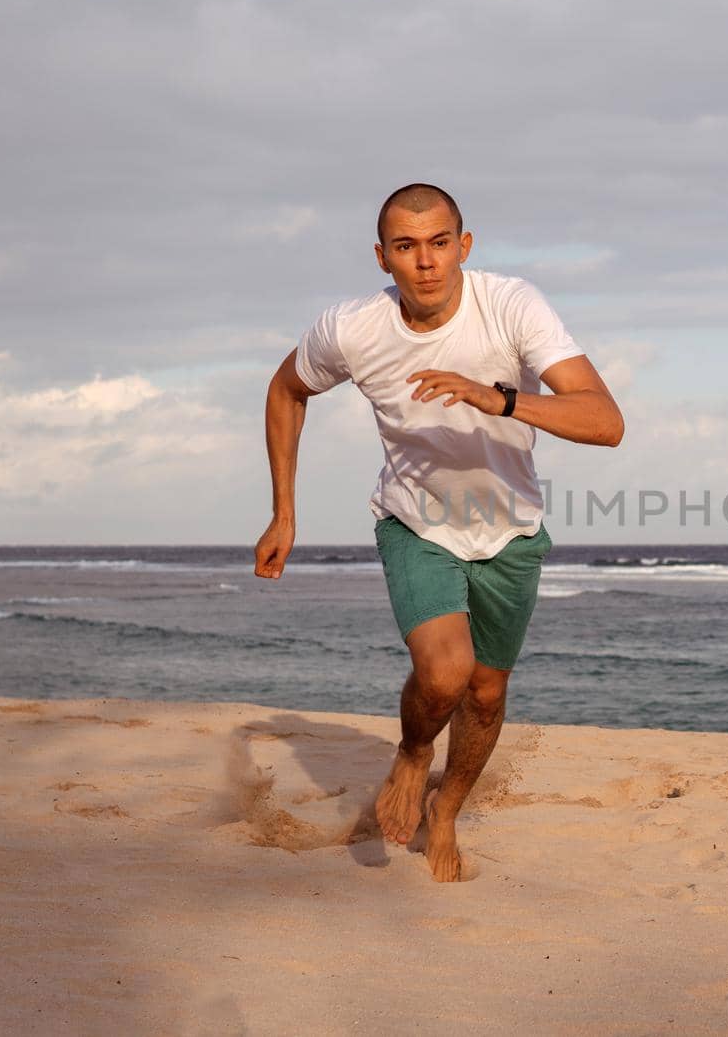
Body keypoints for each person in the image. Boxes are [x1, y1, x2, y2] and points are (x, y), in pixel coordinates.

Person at [253, 183, 624, 882]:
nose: (425, 261)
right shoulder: (352, 327)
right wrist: (284, 511)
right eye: (406, 246)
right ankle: (415, 751)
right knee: (445, 672)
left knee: (485, 692)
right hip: (415, 519)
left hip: (510, 528)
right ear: (382, 257)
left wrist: (500, 397)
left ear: (464, 246)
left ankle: (447, 809)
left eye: (439, 242)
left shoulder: (511, 305)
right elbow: (286, 390)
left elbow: (606, 421)